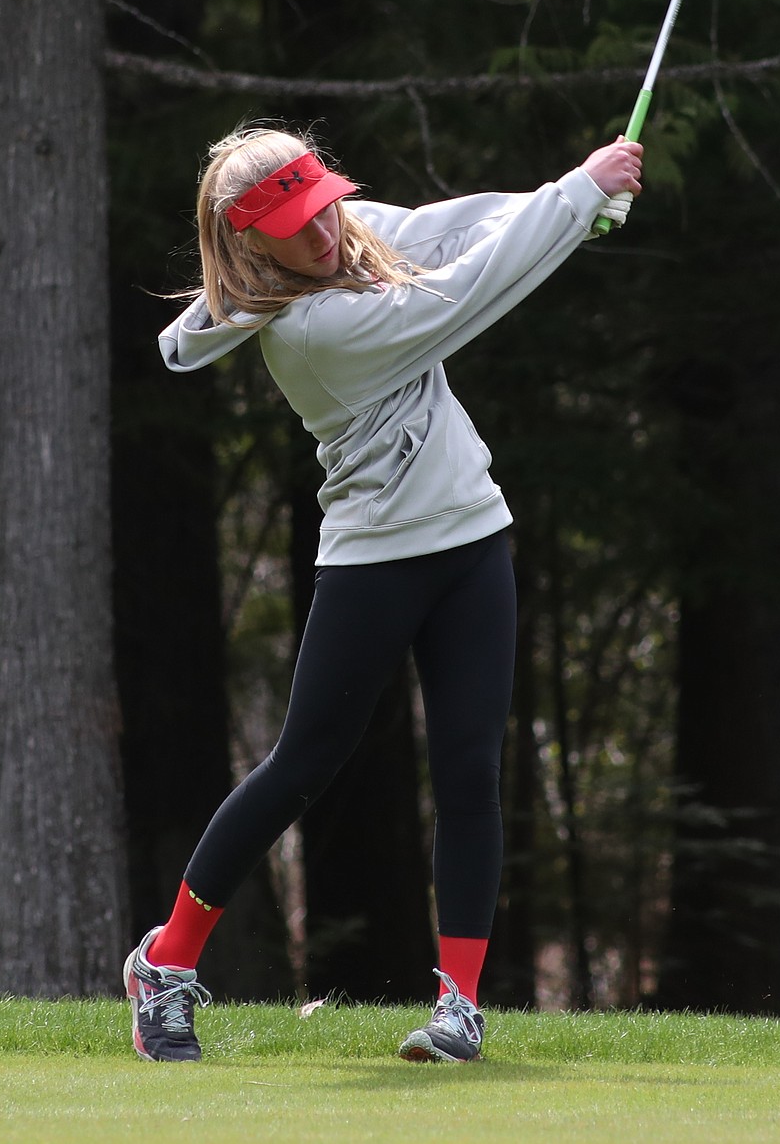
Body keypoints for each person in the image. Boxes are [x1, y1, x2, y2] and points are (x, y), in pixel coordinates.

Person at [126, 120, 643, 1064]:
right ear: (250, 241)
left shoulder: (343, 231)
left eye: (323, 206)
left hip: (472, 537)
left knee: (468, 768)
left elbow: (448, 229)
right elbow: (458, 294)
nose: (325, 232)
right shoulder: (312, 332)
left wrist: (573, 207)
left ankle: (459, 1007)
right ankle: (164, 963)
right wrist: (576, 195)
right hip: (374, 557)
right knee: (302, 763)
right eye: (297, 223)